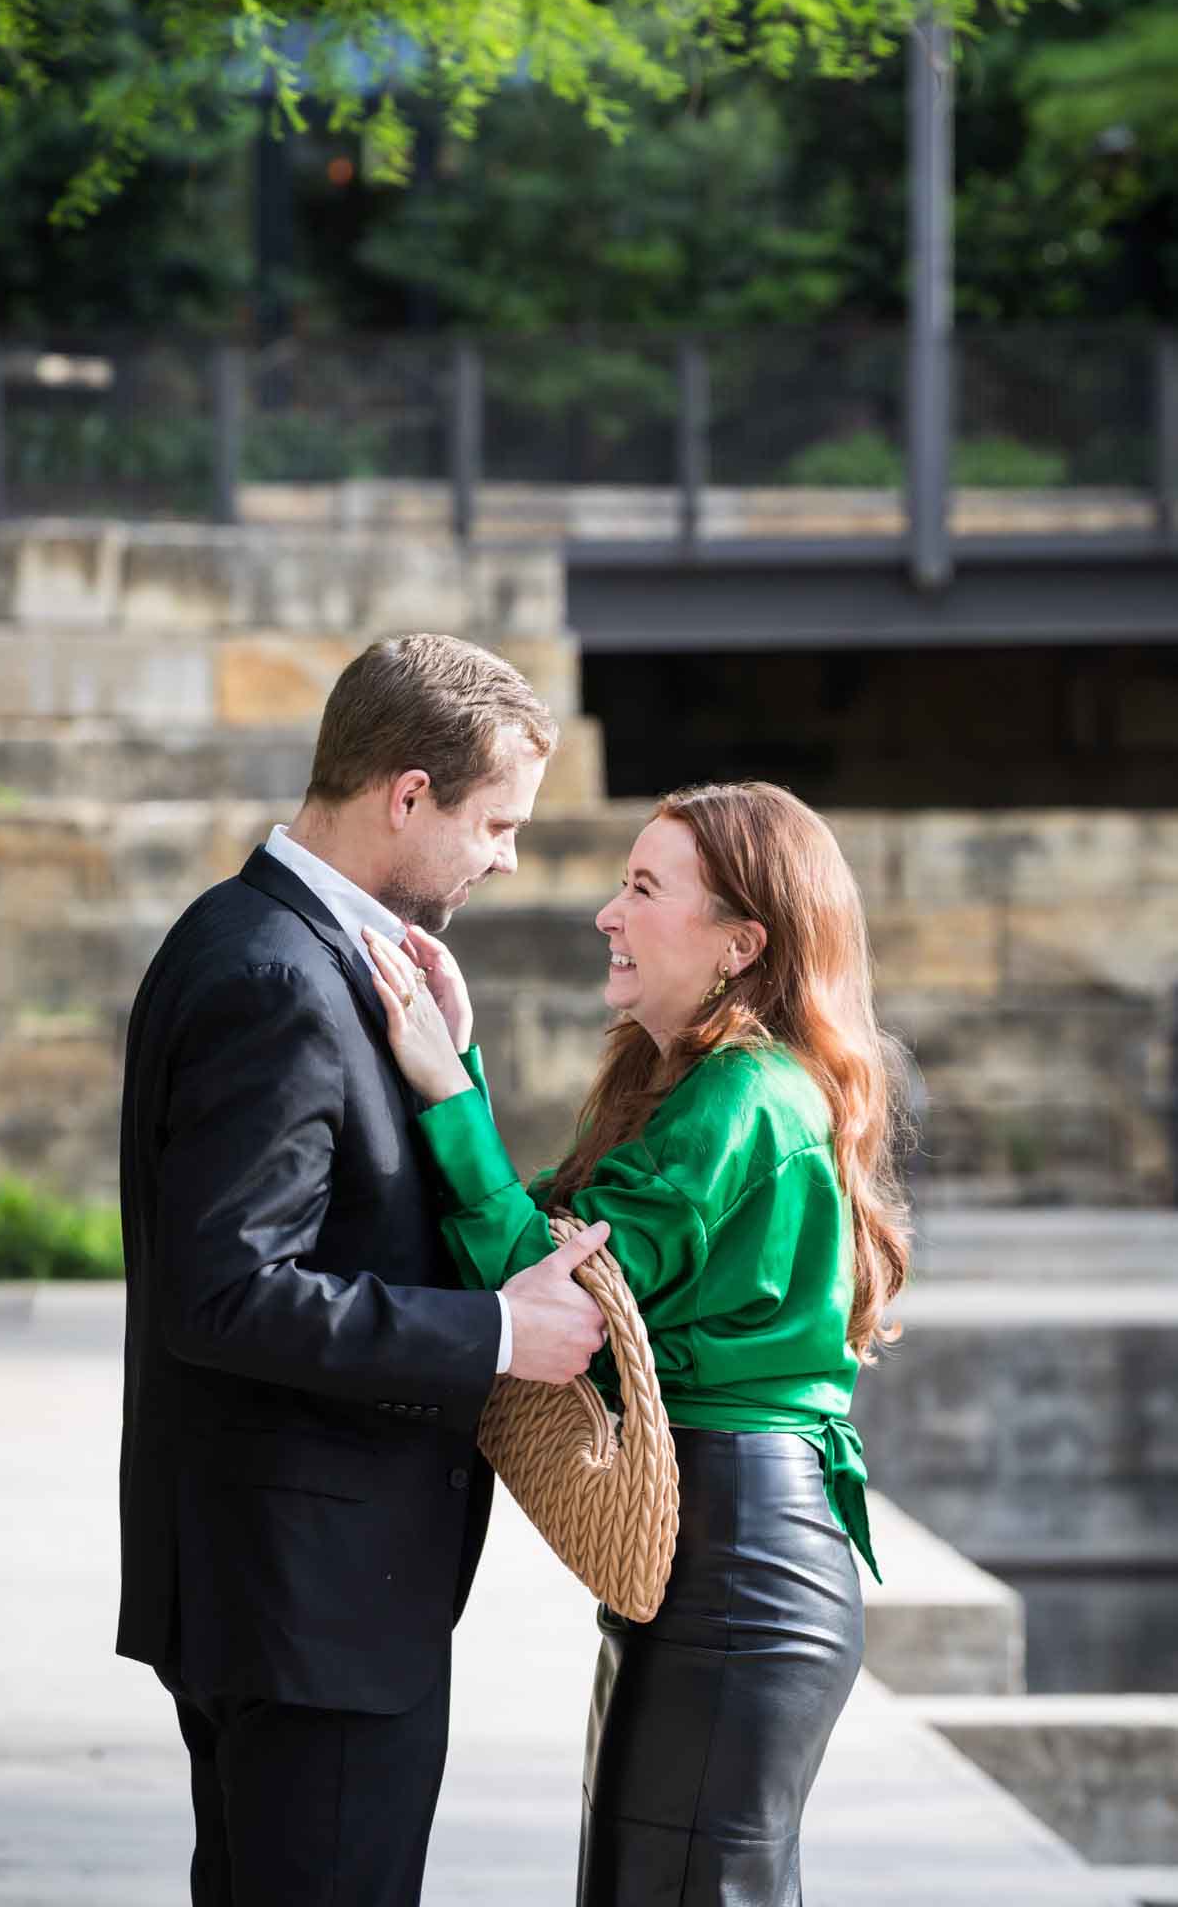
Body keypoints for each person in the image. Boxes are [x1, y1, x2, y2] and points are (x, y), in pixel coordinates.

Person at [116, 632, 610, 1907]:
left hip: (285, 1593)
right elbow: (226, 1290)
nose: (506, 855)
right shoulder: (278, 975)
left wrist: (453, 1060)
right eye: (495, 821)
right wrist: (493, 1334)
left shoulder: (275, 944)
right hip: (308, 1613)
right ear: (406, 794)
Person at [365, 779, 912, 1907]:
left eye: (645, 887)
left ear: (737, 943)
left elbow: (552, 1282)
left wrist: (440, 1083)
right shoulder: (716, 1087)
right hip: (716, 1558)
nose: (608, 912)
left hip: (738, 1568)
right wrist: (458, 1062)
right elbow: (545, 1250)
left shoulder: (743, 1096)